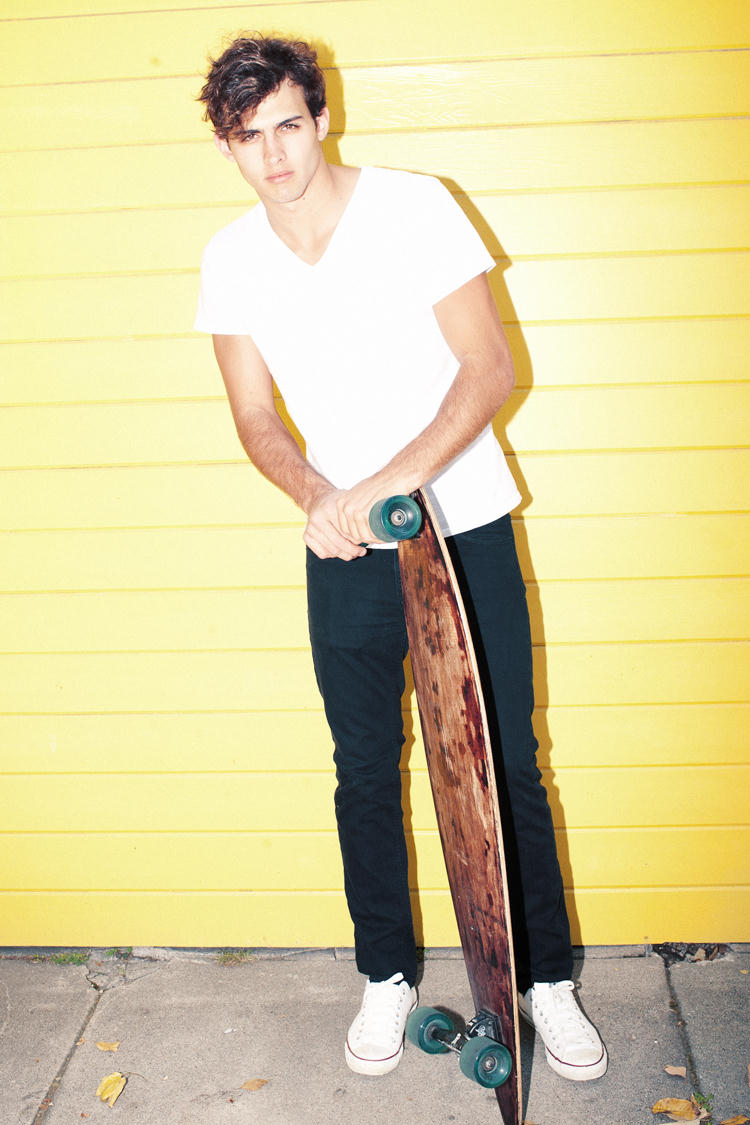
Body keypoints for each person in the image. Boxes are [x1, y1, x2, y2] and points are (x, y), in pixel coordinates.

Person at [195, 33, 607, 1083]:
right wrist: (321, 499)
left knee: (506, 762)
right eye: (248, 137)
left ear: (321, 117)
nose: (274, 155)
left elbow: (487, 368)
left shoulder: (416, 208)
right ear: (227, 147)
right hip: (343, 545)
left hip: (461, 524)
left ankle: (545, 981)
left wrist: (389, 482)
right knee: (363, 769)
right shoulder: (231, 259)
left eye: (288, 125)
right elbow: (255, 417)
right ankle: (386, 975)